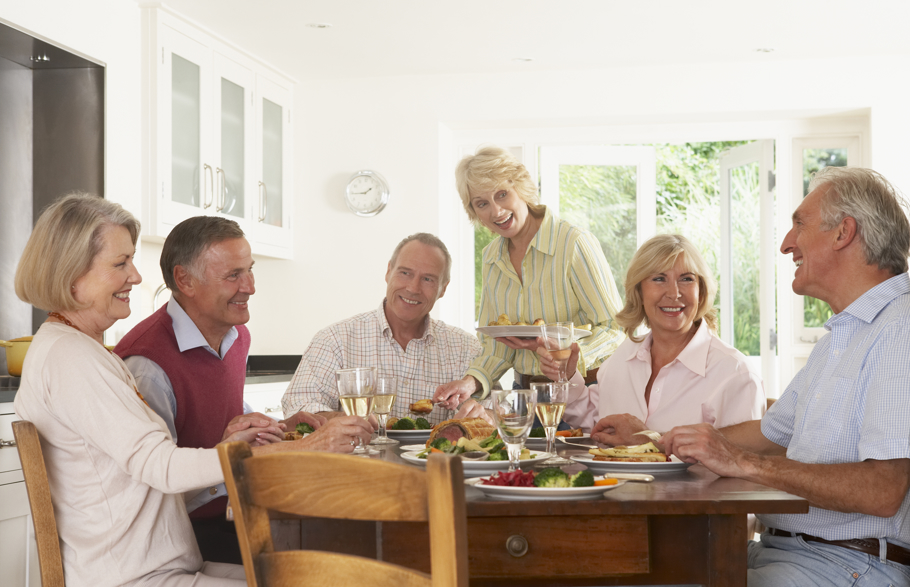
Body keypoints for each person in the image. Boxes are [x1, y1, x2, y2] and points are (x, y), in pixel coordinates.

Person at [13, 193, 373, 587]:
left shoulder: (77, 350)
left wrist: (231, 445)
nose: (135, 276)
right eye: (120, 263)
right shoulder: (72, 359)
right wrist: (305, 447)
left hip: (162, 566)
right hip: (135, 577)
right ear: (71, 274)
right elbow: (160, 467)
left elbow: (146, 474)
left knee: (323, 576)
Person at [663, 167, 910, 587]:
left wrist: (741, 463)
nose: (787, 244)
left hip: (845, 565)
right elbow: (770, 433)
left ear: (844, 233)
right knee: (635, 568)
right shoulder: (842, 337)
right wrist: (654, 442)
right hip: (783, 551)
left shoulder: (902, 329)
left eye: (798, 225)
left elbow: (882, 489)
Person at [115, 216, 331, 564]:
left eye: (250, 270)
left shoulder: (235, 335)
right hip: (179, 538)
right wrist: (234, 458)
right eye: (233, 275)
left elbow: (225, 419)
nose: (250, 286)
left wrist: (278, 427)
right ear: (184, 280)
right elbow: (153, 494)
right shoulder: (147, 367)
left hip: (235, 511)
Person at [435, 146, 623, 410]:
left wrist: (569, 359)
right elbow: (497, 344)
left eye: (502, 194)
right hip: (525, 396)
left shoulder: (573, 244)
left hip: (586, 393)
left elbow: (616, 328)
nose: (496, 211)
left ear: (521, 187)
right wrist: (470, 382)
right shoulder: (491, 257)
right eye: (482, 203)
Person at [538, 234, 765, 440]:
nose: (674, 293)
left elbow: (742, 466)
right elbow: (598, 424)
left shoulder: (735, 373)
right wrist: (567, 376)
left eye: (686, 279)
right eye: (659, 279)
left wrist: (648, 439)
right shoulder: (624, 355)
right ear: (639, 292)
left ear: (701, 291)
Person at [281, 233, 486, 424]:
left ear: (443, 288)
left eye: (428, 279)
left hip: (437, 462)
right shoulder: (335, 340)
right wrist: (352, 420)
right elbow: (298, 409)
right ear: (388, 272)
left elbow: (496, 410)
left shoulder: (466, 348)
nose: (413, 288)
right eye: (405, 273)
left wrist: (485, 415)